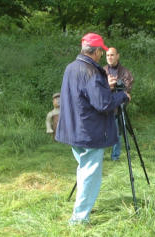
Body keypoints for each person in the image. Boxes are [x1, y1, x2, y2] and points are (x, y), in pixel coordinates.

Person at [55, 33, 130, 225]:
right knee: (90, 173)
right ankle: (79, 219)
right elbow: (103, 105)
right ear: (96, 52)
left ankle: (82, 207)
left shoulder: (71, 67)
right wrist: (123, 96)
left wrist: (105, 85)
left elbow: (84, 96)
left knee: (83, 170)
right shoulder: (92, 72)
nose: (101, 56)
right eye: (100, 52)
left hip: (73, 130)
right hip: (89, 131)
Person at [104, 47, 134, 161]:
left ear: (117, 56)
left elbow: (127, 89)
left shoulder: (125, 72)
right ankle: (98, 155)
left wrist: (115, 85)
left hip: (118, 107)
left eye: (112, 55)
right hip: (104, 106)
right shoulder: (102, 71)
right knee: (102, 132)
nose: (109, 57)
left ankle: (115, 156)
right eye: (107, 55)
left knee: (118, 132)